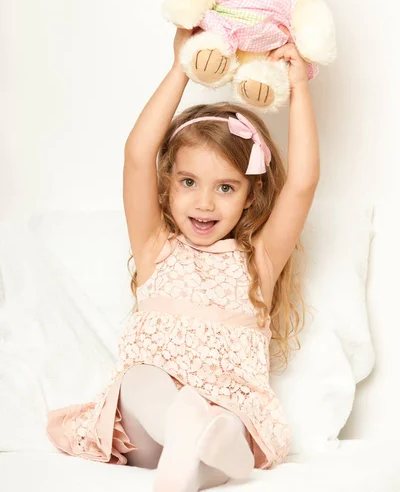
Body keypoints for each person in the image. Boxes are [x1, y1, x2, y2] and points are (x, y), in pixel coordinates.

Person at [47, 27, 320, 492]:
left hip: (221, 416)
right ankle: (187, 433)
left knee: (226, 426)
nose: (204, 204)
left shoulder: (259, 261)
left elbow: (302, 185)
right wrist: (182, 66)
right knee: (140, 380)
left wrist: (297, 88)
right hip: (147, 429)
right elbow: (138, 155)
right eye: (189, 182)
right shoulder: (156, 246)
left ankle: (199, 459)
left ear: (251, 197)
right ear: (168, 185)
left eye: (226, 188)